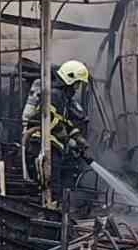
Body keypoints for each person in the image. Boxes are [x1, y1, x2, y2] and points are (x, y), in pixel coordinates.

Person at [22, 60, 94, 206]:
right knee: (51, 184)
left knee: (55, 184)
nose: (77, 87)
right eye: (77, 83)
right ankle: (50, 211)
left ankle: (55, 208)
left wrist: (78, 139)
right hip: (43, 145)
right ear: (70, 79)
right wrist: (68, 139)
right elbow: (50, 120)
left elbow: (65, 122)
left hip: (53, 146)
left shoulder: (63, 98)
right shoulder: (54, 95)